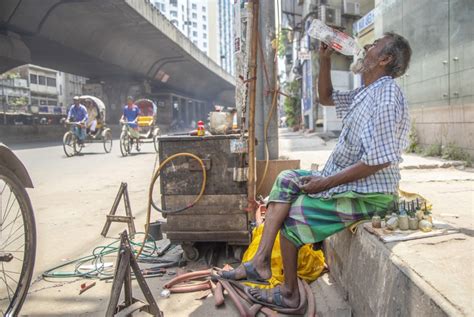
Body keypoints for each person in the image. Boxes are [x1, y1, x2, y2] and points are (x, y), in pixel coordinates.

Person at [219, 32, 412, 310]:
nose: (366, 47)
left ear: (385, 58)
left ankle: (289, 293)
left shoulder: (386, 95)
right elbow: (326, 97)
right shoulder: (367, 92)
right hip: (345, 182)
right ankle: (259, 263)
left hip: (369, 194)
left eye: (374, 45)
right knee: (286, 179)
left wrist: (325, 183)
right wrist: (324, 59)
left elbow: (379, 160)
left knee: (293, 220)